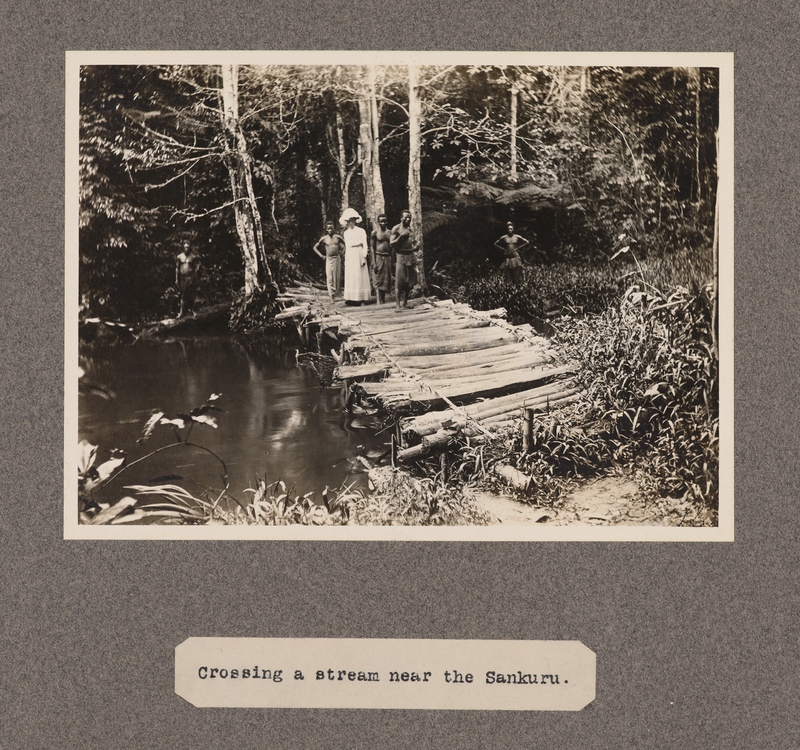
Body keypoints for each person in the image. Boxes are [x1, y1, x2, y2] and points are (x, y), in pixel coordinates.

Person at [341, 208, 371, 305]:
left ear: (355, 220)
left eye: (353, 220)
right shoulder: (346, 233)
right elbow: (347, 246)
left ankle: (362, 299)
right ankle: (351, 298)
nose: (351, 223)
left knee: (360, 275)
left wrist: (364, 256)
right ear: (347, 222)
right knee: (351, 276)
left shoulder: (361, 231)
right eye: (349, 221)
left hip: (359, 252)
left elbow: (365, 244)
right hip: (350, 254)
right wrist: (346, 259)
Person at [390, 209, 415, 311]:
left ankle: (405, 302)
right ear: (401, 218)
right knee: (400, 281)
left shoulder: (410, 229)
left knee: (409, 281)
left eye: (409, 217)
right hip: (400, 256)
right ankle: (398, 305)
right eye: (406, 217)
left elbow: (412, 242)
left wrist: (415, 247)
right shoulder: (396, 229)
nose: (408, 219)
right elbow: (391, 244)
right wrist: (400, 237)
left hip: (410, 255)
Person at [313, 221, 345, 301]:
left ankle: (337, 295)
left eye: (331, 228)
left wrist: (342, 252)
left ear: (334, 228)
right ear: (326, 230)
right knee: (329, 277)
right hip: (329, 259)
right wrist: (321, 256)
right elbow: (315, 247)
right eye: (328, 229)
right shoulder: (324, 238)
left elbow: (346, 244)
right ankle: (331, 296)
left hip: (337, 258)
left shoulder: (338, 237)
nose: (330, 230)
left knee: (337, 277)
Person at [370, 213, 393, 305]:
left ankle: (382, 299)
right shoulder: (375, 233)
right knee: (378, 278)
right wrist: (374, 262)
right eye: (381, 222)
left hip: (387, 257)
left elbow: (392, 248)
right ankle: (378, 301)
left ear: (387, 222)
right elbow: (372, 247)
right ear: (378, 222)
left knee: (385, 280)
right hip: (378, 256)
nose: (383, 223)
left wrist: (393, 261)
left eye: (384, 221)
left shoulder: (390, 233)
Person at [175, 240, 201, 318]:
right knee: (182, 295)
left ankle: (192, 310)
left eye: (188, 247)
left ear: (189, 248)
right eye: (185, 247)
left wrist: (196, 272)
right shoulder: (179, 257)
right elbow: (177, 268)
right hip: (183, 278)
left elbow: (196, 266)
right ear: (183, 248)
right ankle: (181, 312)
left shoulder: (192, 257)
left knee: (191, 295)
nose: (186, 248)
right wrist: (176, 279)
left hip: (190, 278)